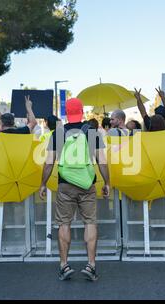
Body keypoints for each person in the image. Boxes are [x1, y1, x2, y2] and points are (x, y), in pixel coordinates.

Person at [39, 98, 110, 282]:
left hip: (65, 184)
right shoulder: (91, 132)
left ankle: (64, 265)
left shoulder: (58, 133)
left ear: (67, 113)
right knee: (90, 222)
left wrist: (43, 184)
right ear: (82, 111)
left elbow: (48, 163)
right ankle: (91, 265)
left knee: (64, 223)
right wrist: (107, 182)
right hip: (87, 184)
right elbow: (102, 160)